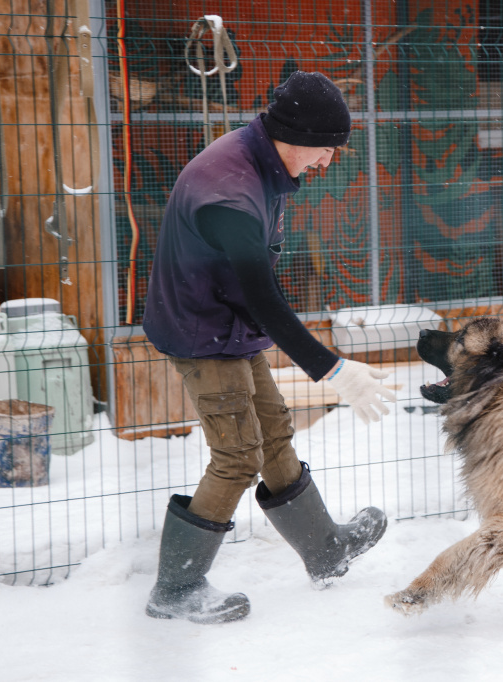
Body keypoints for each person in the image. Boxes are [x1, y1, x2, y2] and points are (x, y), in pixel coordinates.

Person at [141, 71, 395, 624]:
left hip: (226, 320)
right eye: (326, 149)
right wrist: (332, 370)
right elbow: (261, 296)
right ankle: (175, 588)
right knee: (236, 456)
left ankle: (325, 550)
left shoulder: (261, 162)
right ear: (296, 134)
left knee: (273, 432)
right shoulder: (228, 191)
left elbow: (254, 291)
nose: (328, 162)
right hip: (202, 333)